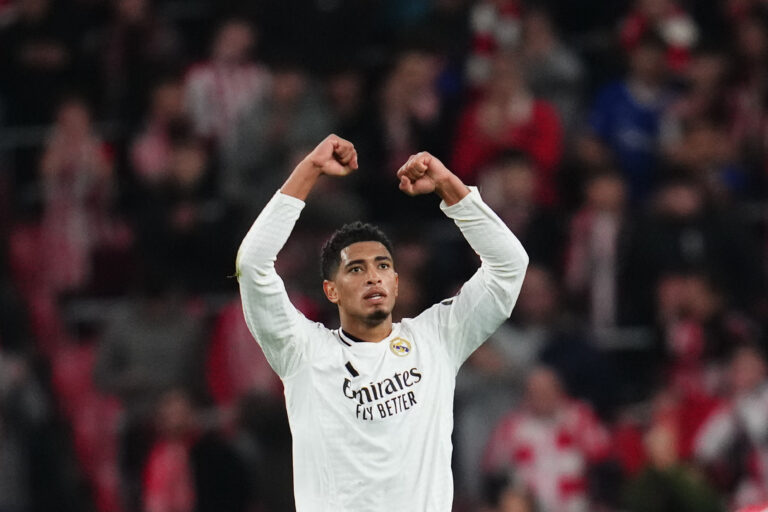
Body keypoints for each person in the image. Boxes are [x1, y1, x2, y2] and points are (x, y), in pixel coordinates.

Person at [235, 134, 529, 510]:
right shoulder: (302, 352)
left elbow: (509, 267)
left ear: (396, 282)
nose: (373, 277)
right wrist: (308, 171)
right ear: (331, 291)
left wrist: (448, 187)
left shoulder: (436, 339)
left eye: (383, 266)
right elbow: (252, 265)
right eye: (356, 269)